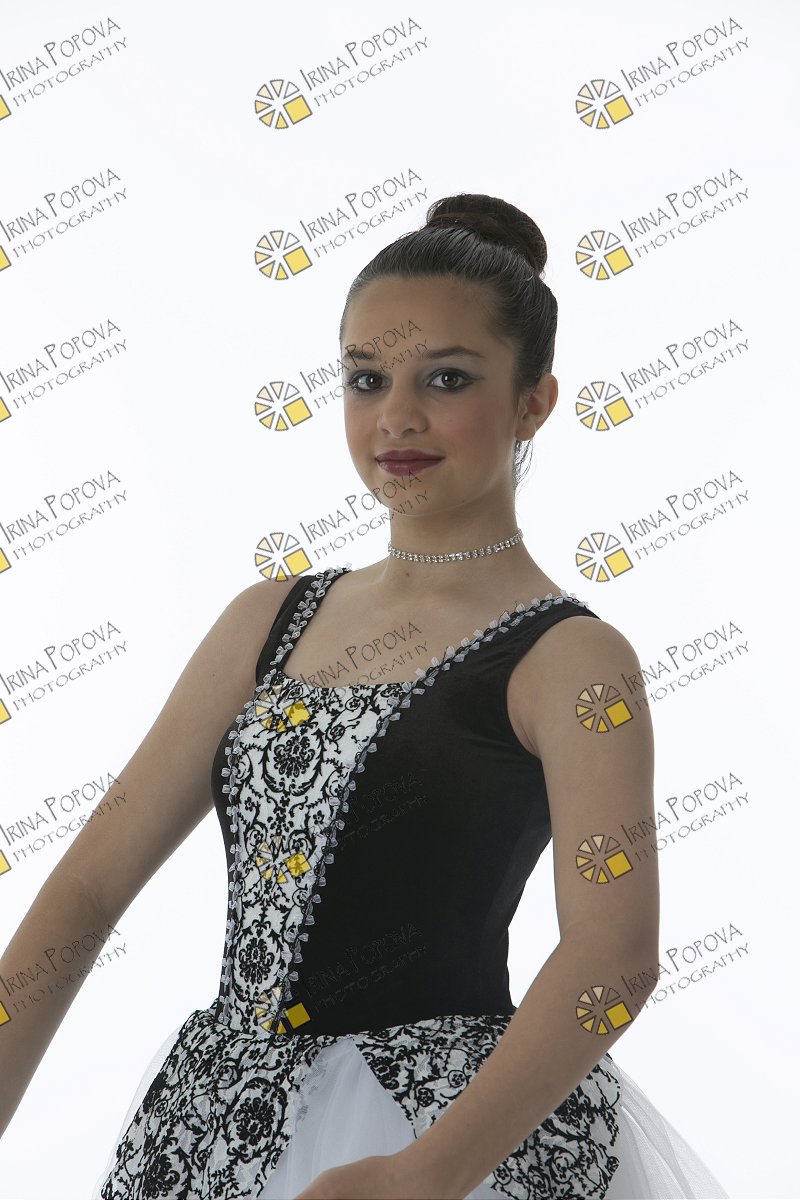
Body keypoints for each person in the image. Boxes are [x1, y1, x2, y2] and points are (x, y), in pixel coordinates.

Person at [0, 194, 729, 1199]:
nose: (397, 415)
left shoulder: (572, 660)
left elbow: (615, 958)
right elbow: (87, 890)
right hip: (213, 1130)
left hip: (442, 1134)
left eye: (447, 378)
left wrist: (425, 1174)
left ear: (533, 402)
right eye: (366, 378)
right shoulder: (266, 619)